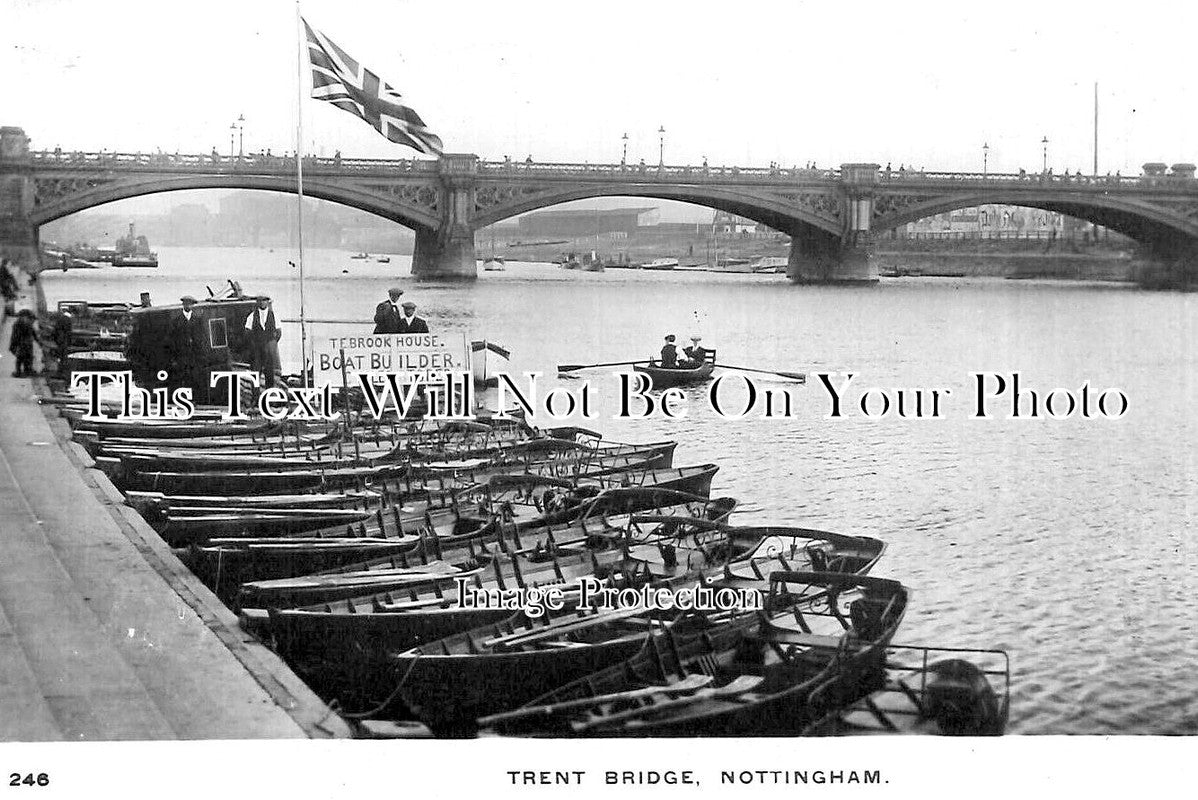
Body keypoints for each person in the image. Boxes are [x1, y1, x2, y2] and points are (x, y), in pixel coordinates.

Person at [243, 295, 282, 385]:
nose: (263, 302)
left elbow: (279, 332)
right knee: (255, 373)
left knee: (270, 373)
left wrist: (272, 343)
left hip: (269, 350)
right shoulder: (252, 316)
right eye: (260, 300)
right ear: (258, 302)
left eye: (265, 300)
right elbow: (247, 332)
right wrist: (254, 343)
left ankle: (269, 393)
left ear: (268, 302)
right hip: (257, 349)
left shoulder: (274, 315)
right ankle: (255, 396)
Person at [169, 295, 205, 389]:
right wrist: (174, 358)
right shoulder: (176, 321)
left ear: (192, 305)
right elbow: (173, 341)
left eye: (190, 304)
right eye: (186, 304)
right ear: (183, 305)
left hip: (194, 357)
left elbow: (201, 338)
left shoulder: (197, 320)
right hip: (181, 356)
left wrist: (200, 355)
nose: (188, 306)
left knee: (195, 378)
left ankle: (194, 399)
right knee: (182, 379)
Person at [8, 309, 39, 377]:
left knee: (25, 358)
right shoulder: (21, 324)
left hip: (25, 343)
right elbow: (16, 336)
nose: (33, 321)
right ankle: (22, 371)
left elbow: (33, 334)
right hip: (23, 343)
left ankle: (24, 371)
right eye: (32, 319)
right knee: (23, 358)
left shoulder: (23, 324)